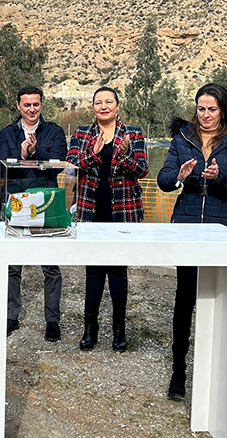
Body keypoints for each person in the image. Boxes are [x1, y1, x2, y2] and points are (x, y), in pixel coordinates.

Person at [157, 83, 227, 400]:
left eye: (212, 109)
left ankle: (220, 376)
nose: (206, 114)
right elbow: (163, 180)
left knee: (223, 302)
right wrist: (180, 177)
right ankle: (178, 374)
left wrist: (220, 178)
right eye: (201, 108)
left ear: (223, 110)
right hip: (187, 228)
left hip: (224, 228)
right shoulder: (181, 139)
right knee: (184, 302)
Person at [67, 87, 148, 352]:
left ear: (117, 106)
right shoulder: (82, 133)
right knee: (93, 270)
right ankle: (90, 329)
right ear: (93, 107)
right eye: (98, 102)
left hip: (122, 211)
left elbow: (142, 169)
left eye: (108, 102)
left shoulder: (132, 133)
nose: (103, 106)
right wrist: (93, 152)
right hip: (90, 210)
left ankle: (119, 331)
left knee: (117, 270)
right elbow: (72, 167)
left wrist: (124, 154)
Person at [0, 85, 67, 341]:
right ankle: (10, 315)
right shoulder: (6, 134)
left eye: (36, 104)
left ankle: (52, 320)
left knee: (50, 267)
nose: (32, 109)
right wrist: (21, 153)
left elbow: (58, 163)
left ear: (41, 105)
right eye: (27, 105)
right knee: (12, 266)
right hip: (16, 204)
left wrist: (36, 152)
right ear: (18, 106)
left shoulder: (55, 132)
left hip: (46, 204)